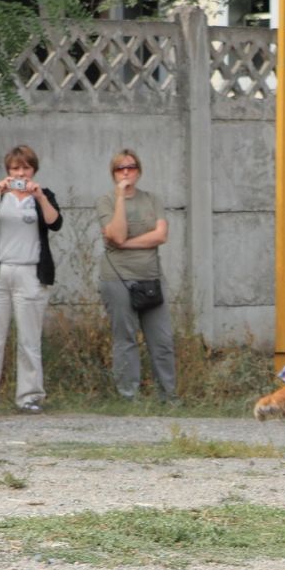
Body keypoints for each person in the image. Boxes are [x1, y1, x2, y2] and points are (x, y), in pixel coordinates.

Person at [0, 145, 63, 413]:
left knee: (29, 340)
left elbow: (55, 223)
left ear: (33, 170)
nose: (20, 173)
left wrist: (39, 197)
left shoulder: (43, 195)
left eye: (25, 168)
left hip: (31, 273)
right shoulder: (0, 196)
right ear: (8, 170)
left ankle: (29, 397)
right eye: (15, 168)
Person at [97, 149, 177, 403]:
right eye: (120, 168)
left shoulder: (152, 199)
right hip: (118, 278)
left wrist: (125, 244)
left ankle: (168, 395)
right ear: (113, 173)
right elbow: (117, 235)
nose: (126, 172)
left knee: (162, 341)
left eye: (131, 167)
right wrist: (121, 197)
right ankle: (128, 396)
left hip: (151, 278)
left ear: (139, 170)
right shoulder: (106, 201)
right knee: (126, 339)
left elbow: (161, 236)